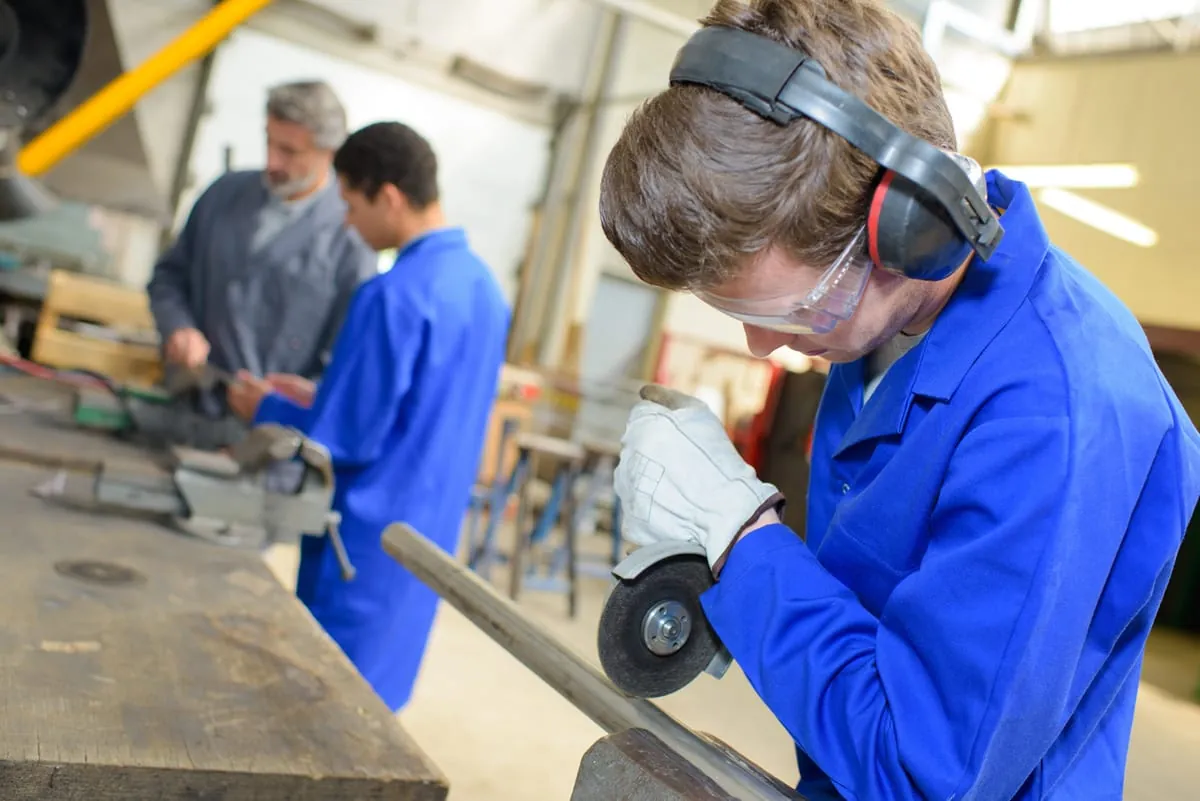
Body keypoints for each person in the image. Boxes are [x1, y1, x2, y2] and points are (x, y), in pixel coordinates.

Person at [598, 1, 1200, 799]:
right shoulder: (883, 327)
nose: (763, 345)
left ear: (912, 222)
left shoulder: (1057, 412)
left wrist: (742, 540)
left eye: (790, 312)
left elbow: (922, 774)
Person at [225, 121, 510, 712]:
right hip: (425, 544)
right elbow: (419, 407)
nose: (348, 224)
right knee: (377, 706)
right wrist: (324, 392)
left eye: (351, 206)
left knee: (324, 705)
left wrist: (265, 406)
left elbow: (345, 438)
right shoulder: (484, 291)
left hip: (360, 544)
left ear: (390, 197)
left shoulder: (392, 294)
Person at [147, 80, 377, 446]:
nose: (272, 161)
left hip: (267, 443)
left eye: (289, 151)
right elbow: (168, 277)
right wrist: (178, 327)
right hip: (183, 412)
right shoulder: (223, 195)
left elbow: (345, 364)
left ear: (329, 153)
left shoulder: (353, 239)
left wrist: (280, 405)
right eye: (269, 141)